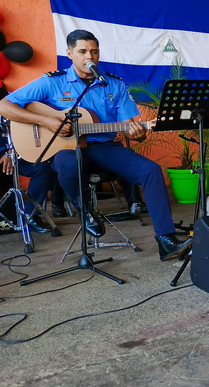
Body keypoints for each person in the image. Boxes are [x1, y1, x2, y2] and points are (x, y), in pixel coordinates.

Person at [0, 30, 192, 261]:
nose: (89, 56)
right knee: (67, 164)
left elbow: (130, 126)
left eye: (94, 51)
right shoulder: (52, 82)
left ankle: (166, 240)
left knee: (151, 171)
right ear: (70, 53)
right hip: (66, 150)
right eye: (82, 51)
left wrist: (138, 133)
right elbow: (4, 105)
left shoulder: (113, 84)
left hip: (105, 147)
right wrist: (46, 120)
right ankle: (86, 211)